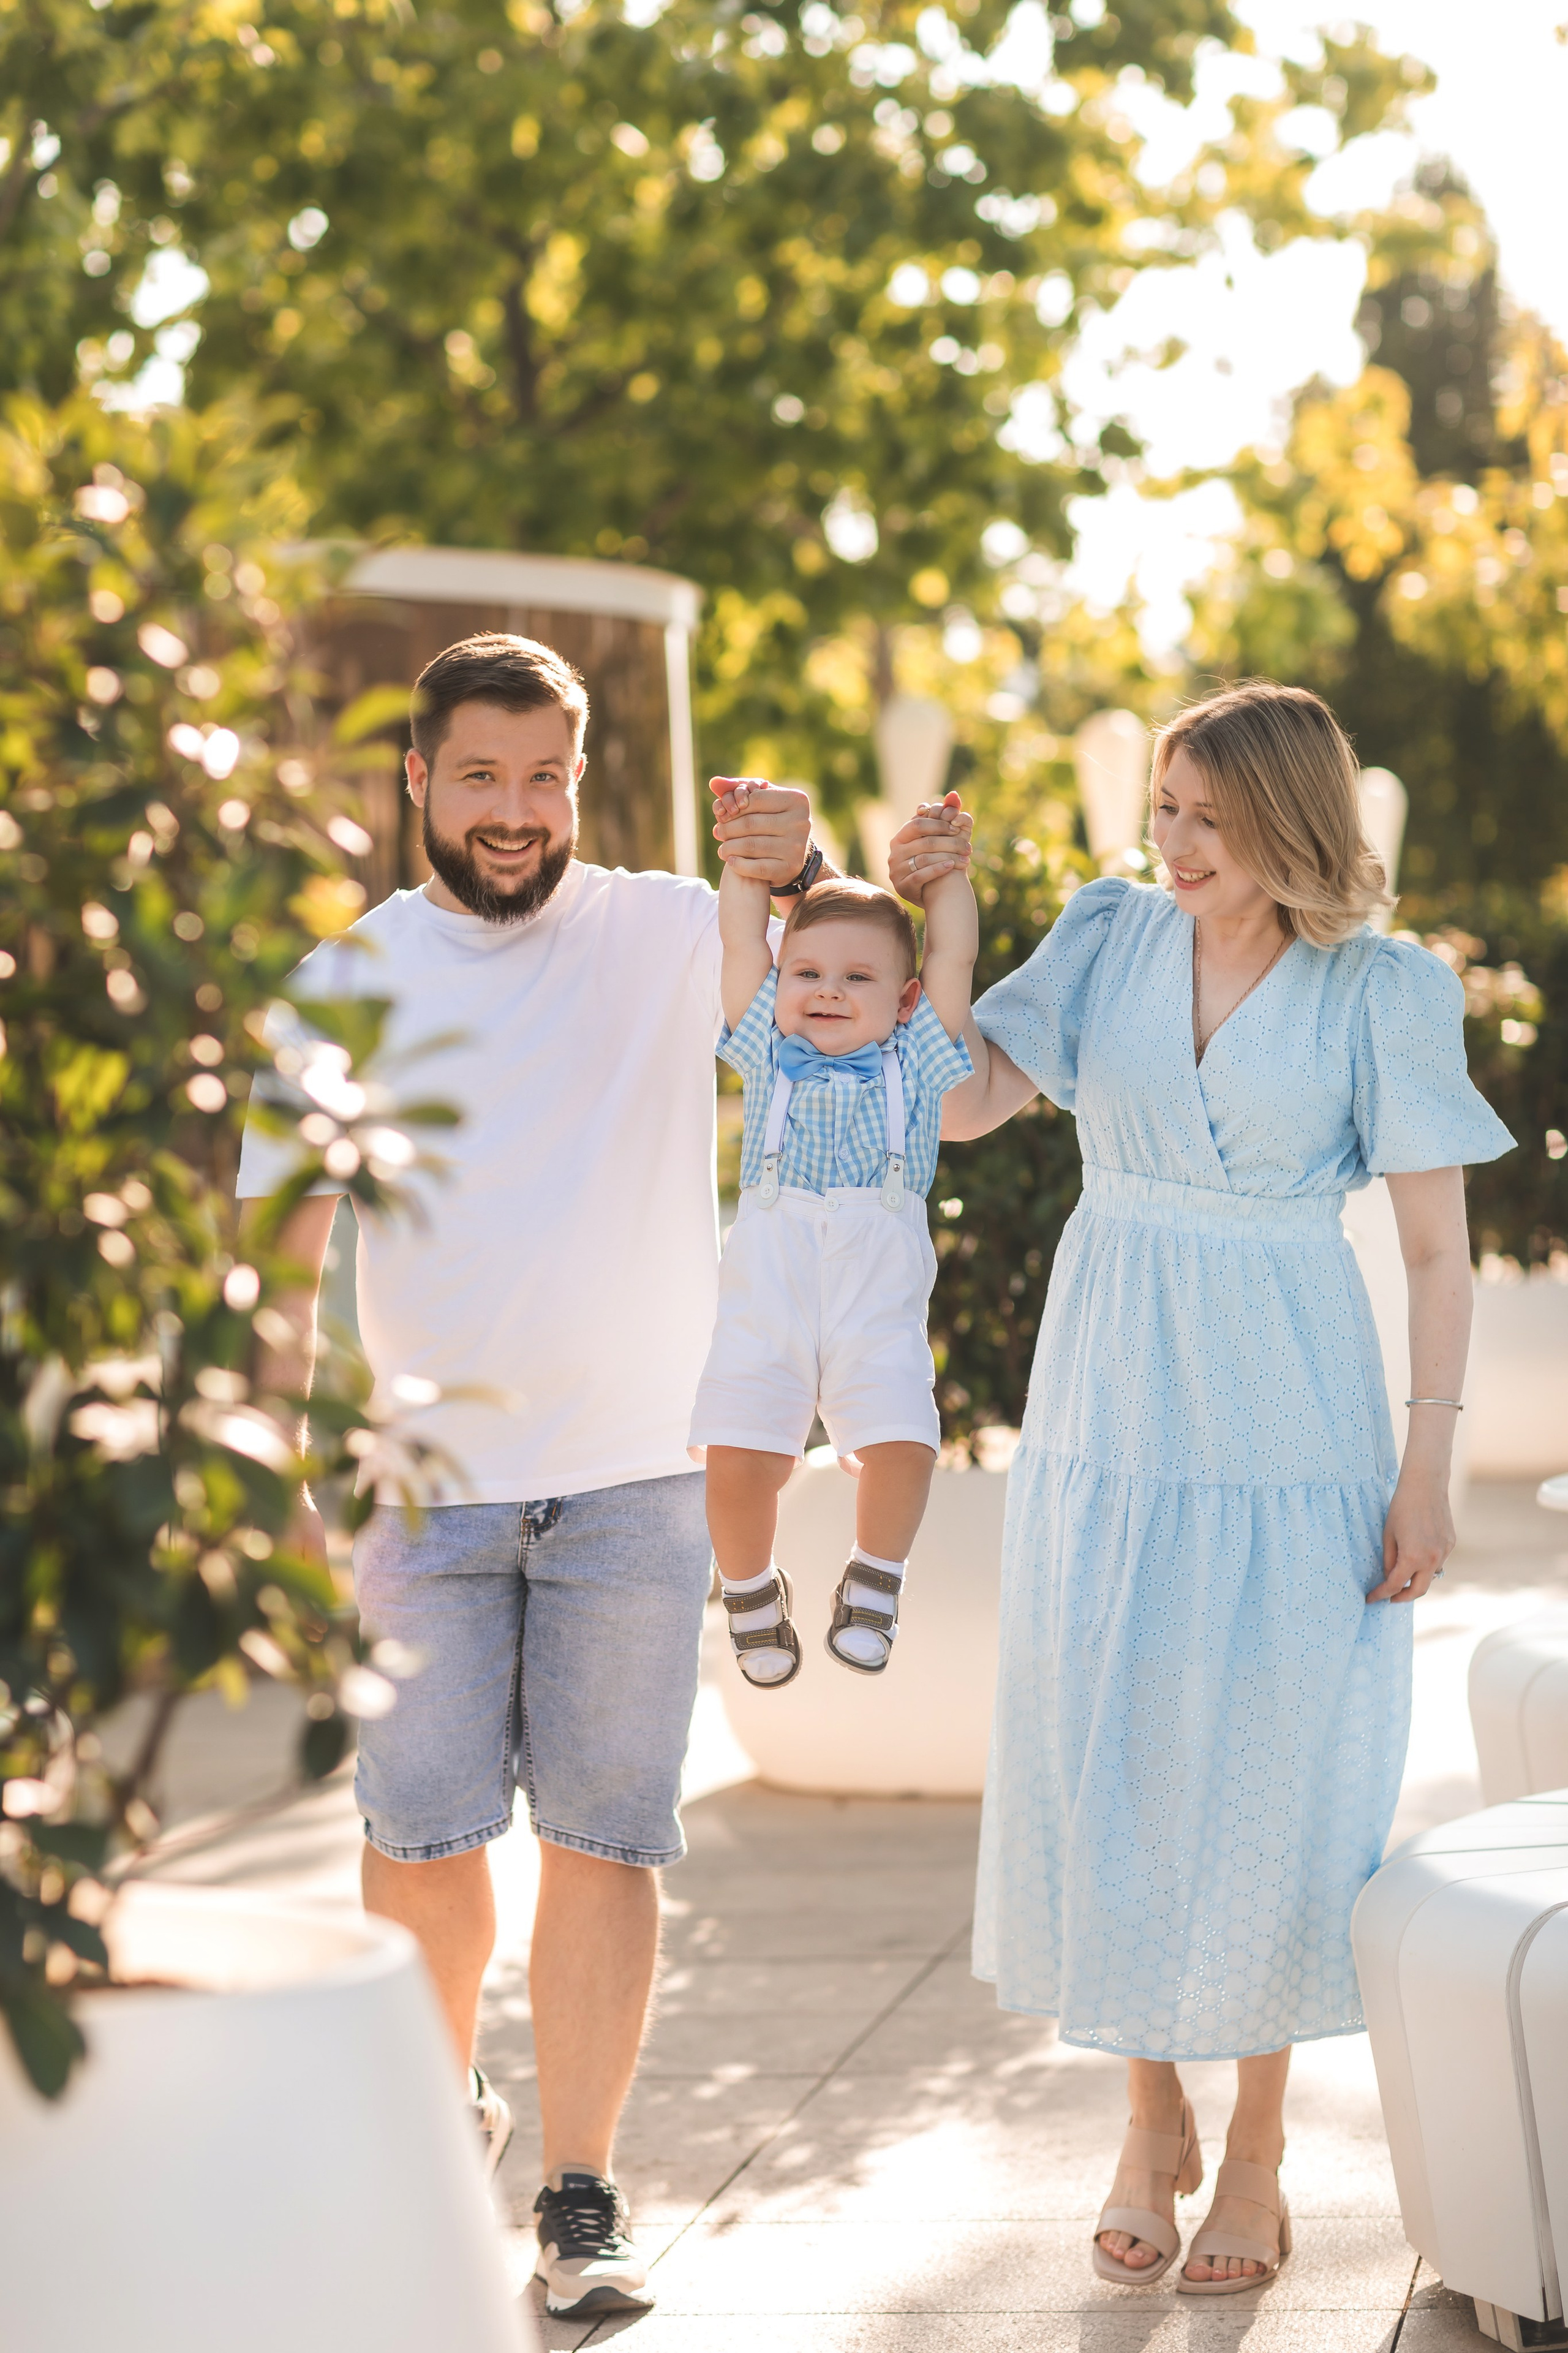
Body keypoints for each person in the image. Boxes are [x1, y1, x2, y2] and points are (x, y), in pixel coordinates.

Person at [236, 631, 825, 2320]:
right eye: (482, 776)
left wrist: (801, 865)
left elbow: (841, 987)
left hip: (636, 1478)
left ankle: (580, 2194)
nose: (517, 810)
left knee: (602, 1841)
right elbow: (277, 1263)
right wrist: (271, 1486)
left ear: (582, 779)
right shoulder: (344, 982)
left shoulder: (666, 929)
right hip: (420, 1495)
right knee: (420, 1847)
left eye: (547, 777)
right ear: (417, 777)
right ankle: (442, 2138)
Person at [925, 680, 1513, 2295]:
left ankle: (1253, 2148)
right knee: (1108, 1747)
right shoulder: (1109, 934)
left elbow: (1436, 1255)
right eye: (1165, 810)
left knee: (1275, 1769)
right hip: (1109, 1403)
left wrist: (1425, 1468)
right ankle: (1146, 2120)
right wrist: (947, 925)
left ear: (1289, 822)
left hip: (1289, 1418)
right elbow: (963, 1105)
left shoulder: (1380, 987)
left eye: (1209, 817)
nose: (1174, 844)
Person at [690, 843, 976, 1689]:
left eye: (858, 978)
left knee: (906, 1445)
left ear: (905, 1000)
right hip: (769, 1304)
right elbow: (742, 942)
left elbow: (954, 955)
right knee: (737, 1455)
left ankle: (873, 1580)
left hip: (872, 1310)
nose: (828, 991)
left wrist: (947, 880)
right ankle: (749, 1587)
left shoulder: (918, 1062)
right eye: (808, 972)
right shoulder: (765, 1049)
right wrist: (743, 861)